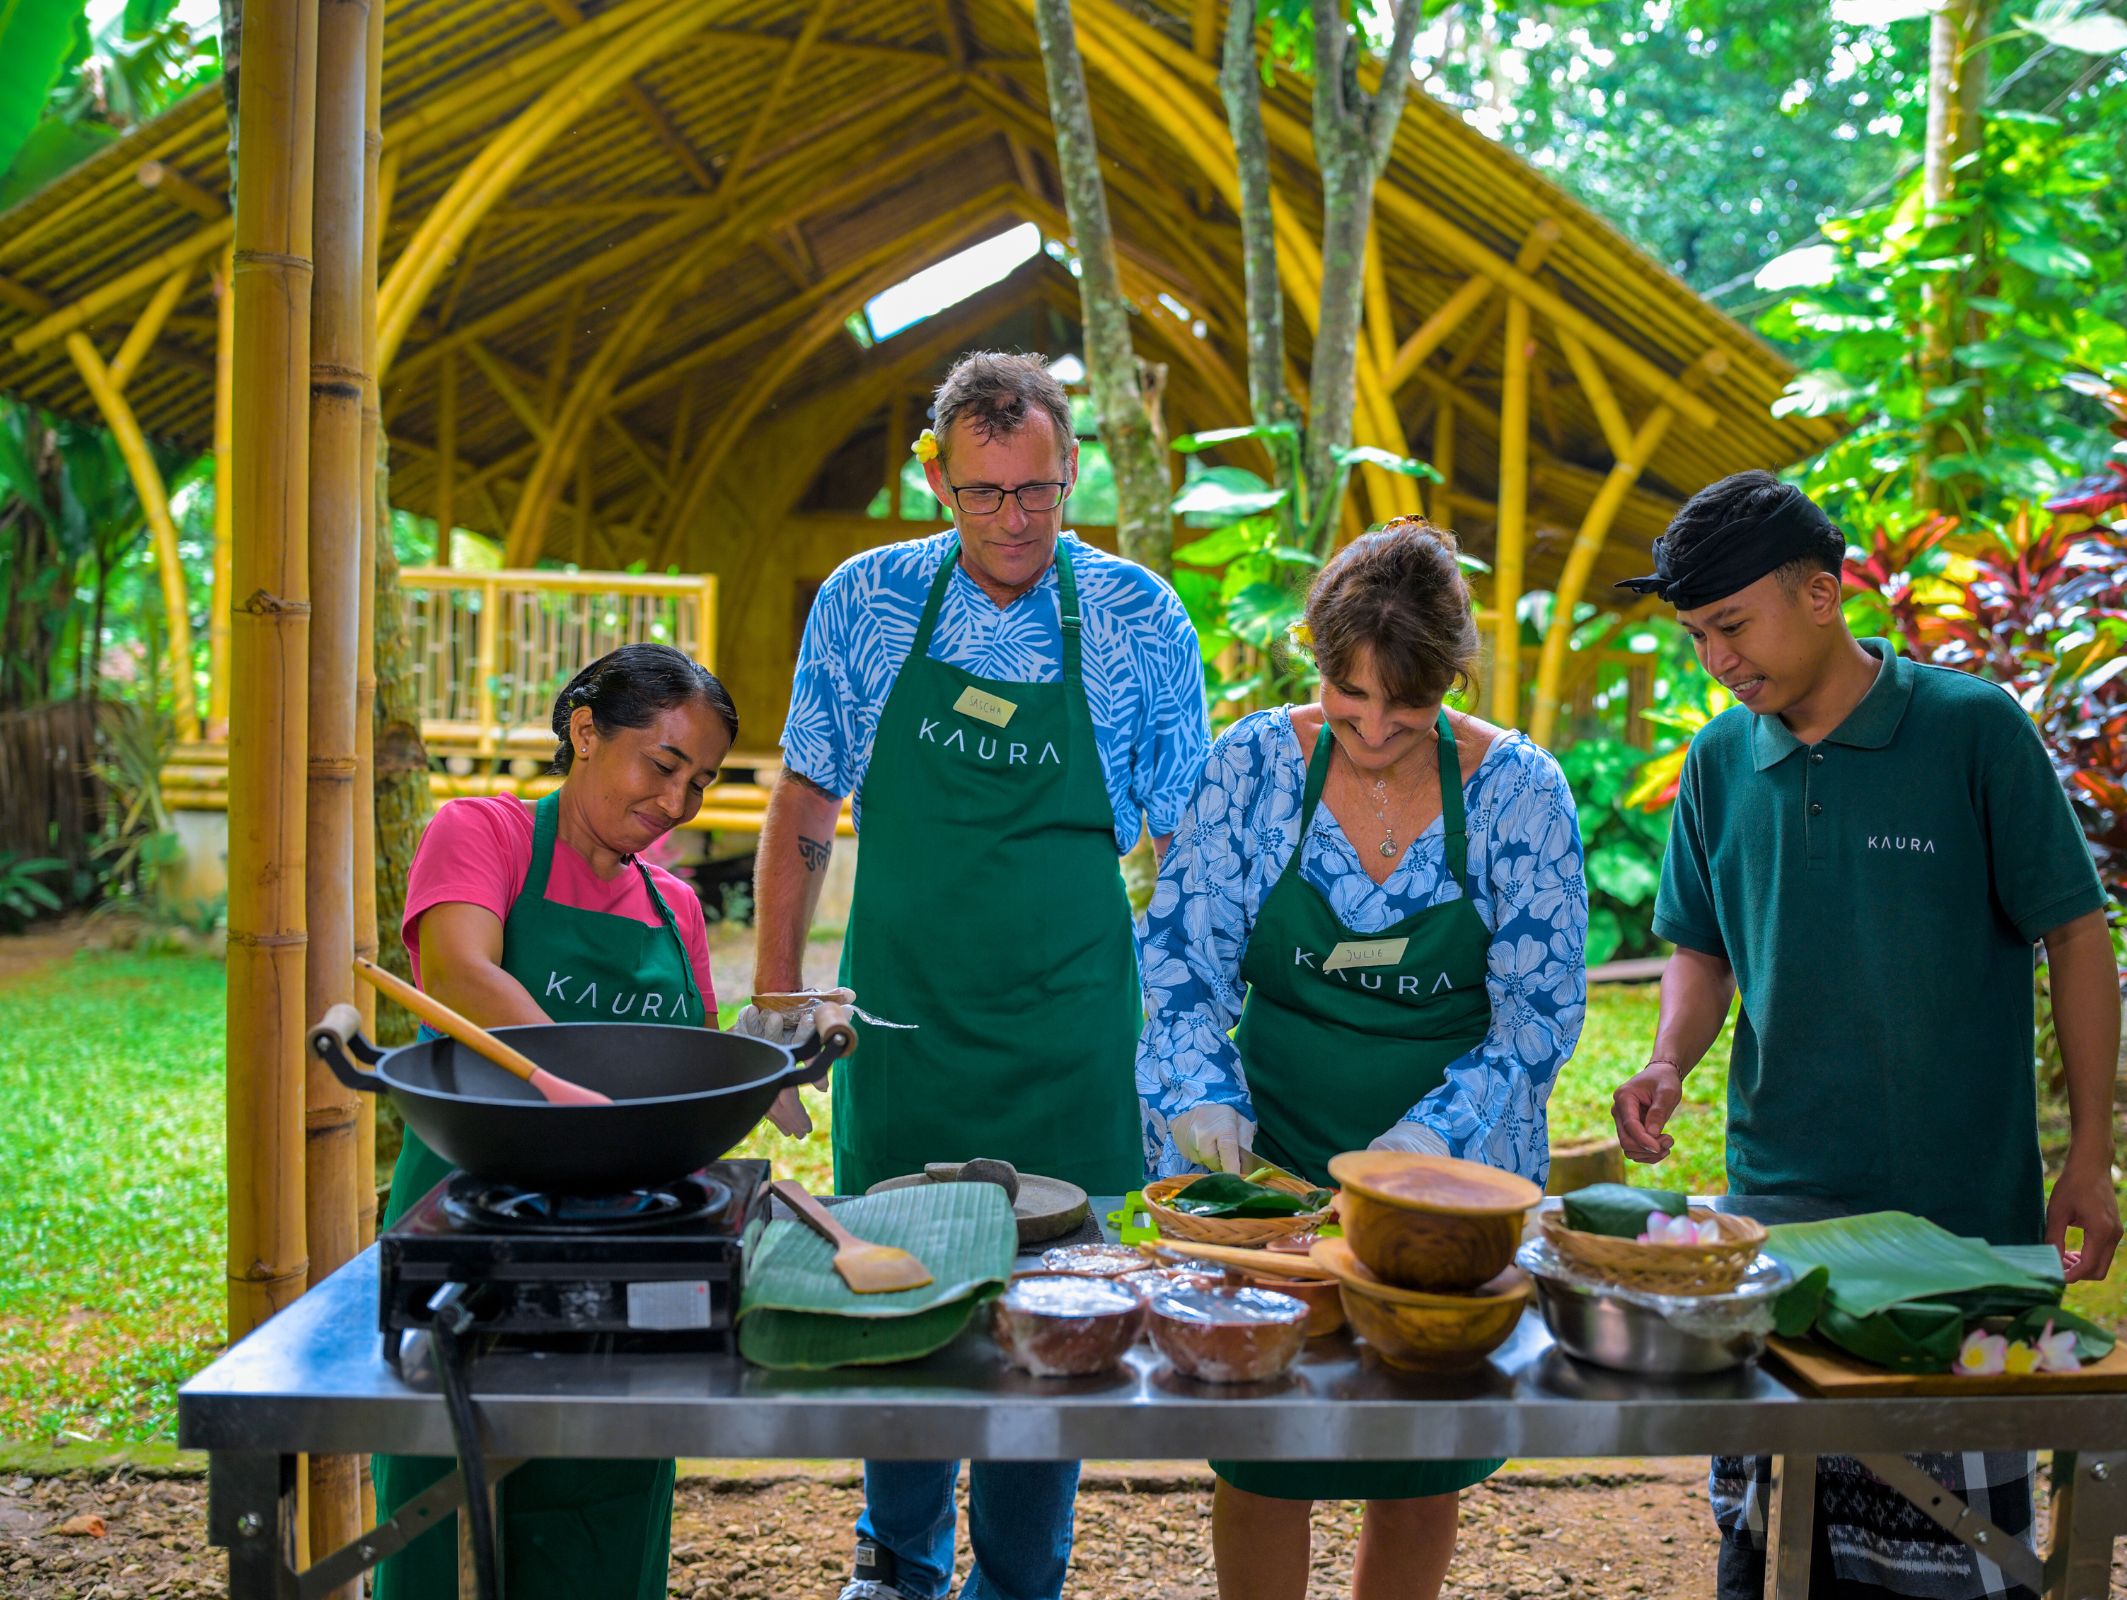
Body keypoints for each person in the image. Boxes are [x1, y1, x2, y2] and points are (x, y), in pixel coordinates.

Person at [736, 350, 1209, 1600]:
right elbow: (806, 799)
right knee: (897, 1303)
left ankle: (1020, 1574)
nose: (1015, 521)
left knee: (1047, 1317)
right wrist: (779, 998)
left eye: (1041, 493)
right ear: (937, 478)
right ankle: (894, 1564)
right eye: (987, 492)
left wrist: (1191, 1052)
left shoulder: (1138, 618)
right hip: (906, 1023)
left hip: (1069, 1028)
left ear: (1071, 478)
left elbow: (1189, 851)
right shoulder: (869, 601)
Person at [1605, 471, 2124, 1600]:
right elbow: (1703, 946)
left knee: (1953, 1565)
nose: (1716, 662)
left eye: (1731, 627)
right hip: (1775, 1223)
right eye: (1696, 636)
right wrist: (1664, 1061)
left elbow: (2075, 937)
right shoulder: (1716, 763)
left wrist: (2090, 1152)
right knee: (1771, 1553)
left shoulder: (1970, 727)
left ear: (1825, 594)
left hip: (1960, 1235)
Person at [1136, 516, 1588, 1600]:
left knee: (1420, 1449)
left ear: (1452, 684)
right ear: (1316, 658)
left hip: (1448, 1175)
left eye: (1409, 705)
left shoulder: (1518, 792)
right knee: (1263, 1443)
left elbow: (1537, 1015)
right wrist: (1201, 1097)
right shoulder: (1249, 767)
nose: (1377, 727)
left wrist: (1429, 1140)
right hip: (1274, 1159)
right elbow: (1181, 960)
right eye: (1351, 698)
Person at [373, 642, 739, 1600]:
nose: (677, 804)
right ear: (584, 732)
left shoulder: (676, 906)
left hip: (631, 1244)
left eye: (700, 783)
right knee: (449, 1513)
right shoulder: (481, 833)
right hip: (473, 1226)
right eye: (663, 767)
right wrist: (561, 1081)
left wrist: (770, 1063)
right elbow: (458, 973)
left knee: (605, 1502)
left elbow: (692, 1056)